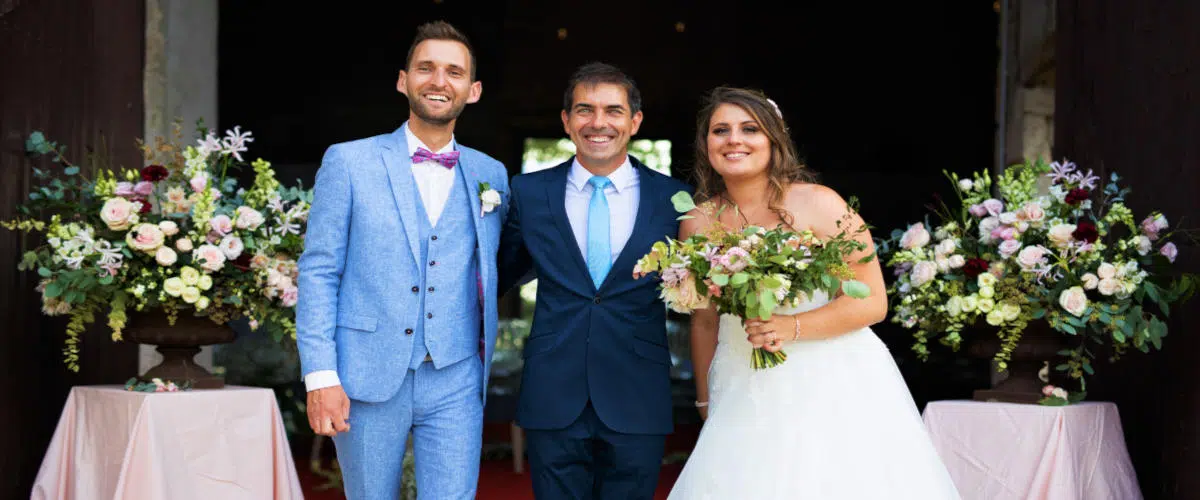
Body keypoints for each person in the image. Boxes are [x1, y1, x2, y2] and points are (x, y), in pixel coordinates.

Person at [665, 87, 961, 499]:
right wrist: (703, 400)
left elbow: (872, 300)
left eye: (749, 129)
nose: (734, 139)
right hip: (741, 381)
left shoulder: (819, 204)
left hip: (832, 379)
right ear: (706, 144)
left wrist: (791, 326)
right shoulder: (698, 221)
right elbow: (704, 318)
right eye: (720, 130)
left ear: (774, 140)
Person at [295, 20, 510, 499]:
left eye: (453, 72)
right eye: (425, 68)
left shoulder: (490, 174)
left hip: (456, 374)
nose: (439, 81)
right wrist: (321, 375)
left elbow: (500, 261)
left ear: (472, 90)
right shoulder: (349, 162)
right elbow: (319, 271)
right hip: (367, 374)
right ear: (403, 80)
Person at [498, 62, 693, 499]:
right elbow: (494, 279)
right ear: (566, 121)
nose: (598, 123)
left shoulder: (675, 199)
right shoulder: (528, 193)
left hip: (637, 391)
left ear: (635, 121)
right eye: (584, 110)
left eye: (613, 110)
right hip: (553, 389)